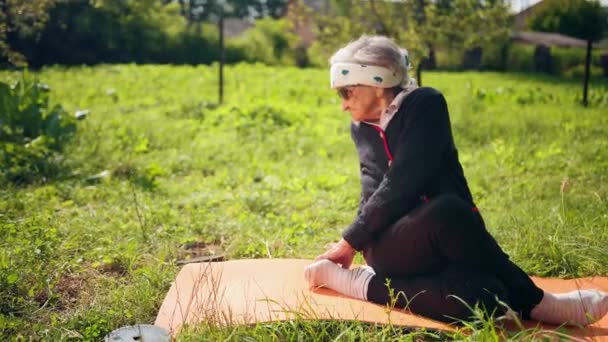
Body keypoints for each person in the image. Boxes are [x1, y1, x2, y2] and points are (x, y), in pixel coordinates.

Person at [304, 35, 608, 325]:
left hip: (447, 237)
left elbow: (409, 176)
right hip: (393, 243)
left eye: (347, 92)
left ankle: (362, 284)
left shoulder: (425, 104)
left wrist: (350, 240)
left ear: (378, 82)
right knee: (448, 209)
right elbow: (376, 186)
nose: (343, 104)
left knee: (488, 297)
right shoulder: (360, 127)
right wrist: (354, 242)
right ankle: (538, 303)